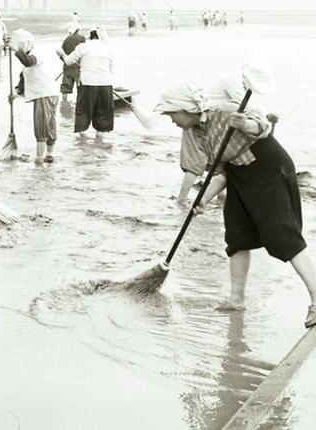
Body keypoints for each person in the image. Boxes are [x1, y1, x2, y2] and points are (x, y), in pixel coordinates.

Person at [154, 70, 316, 328]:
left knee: (282, 236)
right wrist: (203, 199)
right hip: (239, 176)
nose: (171, 120)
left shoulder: (225, 110)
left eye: (171, 114)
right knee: (237, 238)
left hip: (267, 169)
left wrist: (244, 125)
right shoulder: (198, 133)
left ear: (184, 109)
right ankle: (236, 299)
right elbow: (220, 173)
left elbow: (262, 127)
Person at [176, 75, 245, 205]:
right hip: (197, 119)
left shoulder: (235, 84)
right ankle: (182, 199)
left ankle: (221, 197)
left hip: (210, 122)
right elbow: (243, 107)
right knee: (194, 161)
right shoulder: (233, 81)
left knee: (218, 161)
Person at [8, 29, 60, 164]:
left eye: (21, 46)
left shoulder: (37, 54)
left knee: (43, 125)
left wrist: (16, 51)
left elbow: (28, 62)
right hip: (44, 94)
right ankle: (48, 155)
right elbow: (23, 80)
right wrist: (15, 92)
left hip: (45, 94)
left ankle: (41, 158)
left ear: (27, 44)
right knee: (47, 124)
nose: (20, 48)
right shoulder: (26, 57)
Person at [58, 27, 115, 141]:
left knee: (84, 110)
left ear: (90, 37)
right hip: (106, 83)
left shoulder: (83, 47)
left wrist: (61, 54)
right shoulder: (108, 48)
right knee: (103, 112)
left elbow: (69, 61)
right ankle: (100, 139)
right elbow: (111, 68)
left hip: (88, 83)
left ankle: (83, 138)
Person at [57, 21, 85, 102]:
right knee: (81, 88)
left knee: (65, 89)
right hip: (78, 68)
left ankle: (64, 103)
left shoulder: (66, 40)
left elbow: (61, 54)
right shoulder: (82, 38)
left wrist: (65, 61)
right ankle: (80, 105)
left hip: (67, 67)